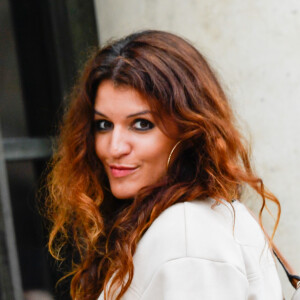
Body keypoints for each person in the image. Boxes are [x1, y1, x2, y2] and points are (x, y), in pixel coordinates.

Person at [46, 30, 283, 299]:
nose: (114, 147)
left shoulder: (186, 234)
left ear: (189, 131)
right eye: (104, 125)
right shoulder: (198, 216)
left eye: (142, 125)